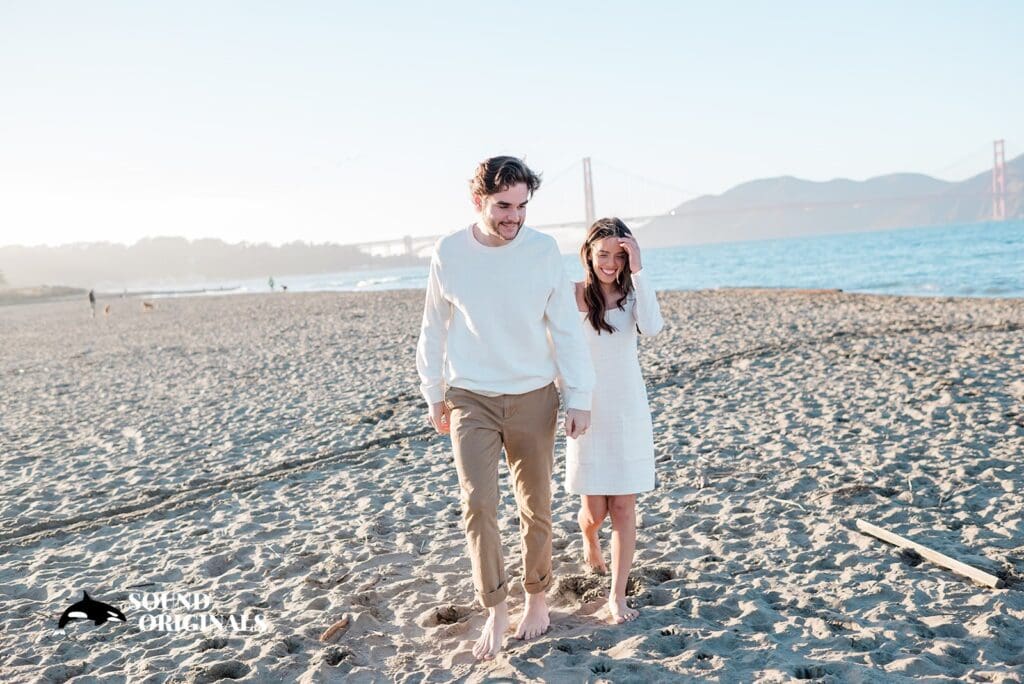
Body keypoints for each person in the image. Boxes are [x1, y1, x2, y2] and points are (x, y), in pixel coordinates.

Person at [416, 156, 594, 660]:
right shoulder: (449, 252)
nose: (513, 216)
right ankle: (495, 607)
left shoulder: (543, 250)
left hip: (534, 394)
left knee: (535, 505)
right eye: (503, 206)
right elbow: (433, 326)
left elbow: (565, 328)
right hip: (470, 396)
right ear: (478, 201)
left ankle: (536, 598)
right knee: (478, 504)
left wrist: (579, 396)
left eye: (521, 206)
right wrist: (433, 391)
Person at [567, 217, 663, 624]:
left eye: (619, 257)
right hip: (587, 410)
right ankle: (589, 538)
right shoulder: (570, 295)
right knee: (595, 513)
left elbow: (653, 328)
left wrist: (639, 269)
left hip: (627, 410)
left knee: (623, 507)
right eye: (603, 254)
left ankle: (616, 596)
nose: (610, 263)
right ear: (588, 254)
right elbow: (556, 351)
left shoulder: (633, 294)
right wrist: (569, 400)